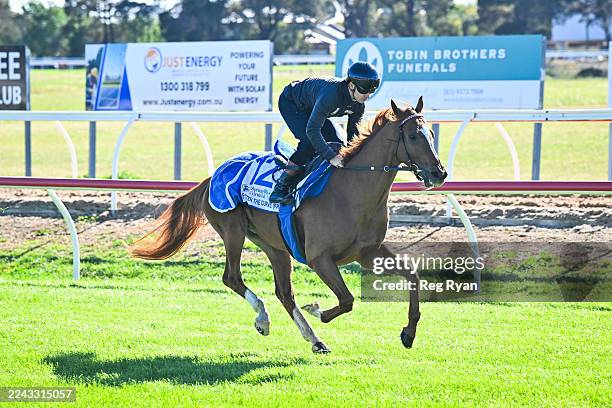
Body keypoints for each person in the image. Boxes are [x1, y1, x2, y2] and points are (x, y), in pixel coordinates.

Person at [269, 61, 380, 204]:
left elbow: (352, 136)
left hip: (312, 104)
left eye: (371, 91)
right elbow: (312, 130)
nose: (368, 95)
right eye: (364, 91)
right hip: (291, 102)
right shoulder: (332, 96)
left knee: (337, 144)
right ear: (351, 86)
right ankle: (281, 187)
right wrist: (330, 157)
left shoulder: (359, 105)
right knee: (310, 143)